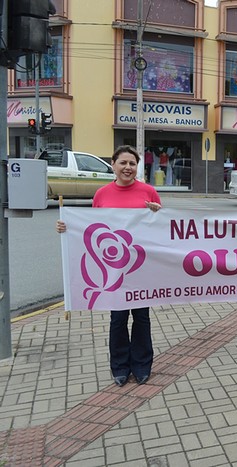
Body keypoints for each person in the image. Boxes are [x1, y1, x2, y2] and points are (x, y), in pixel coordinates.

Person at [56, 145, 162, 387]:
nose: (127, 168)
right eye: (123, 163)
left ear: (137, 167)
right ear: (113, 165)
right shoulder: (102, 194)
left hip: (141, 267)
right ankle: (120, 367)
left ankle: (142, 366)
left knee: (142, 318)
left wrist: (158, 213)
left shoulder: (149, 192)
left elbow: (162, 228)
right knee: (118, 319)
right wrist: (66, 228)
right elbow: (91, 228)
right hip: (113, 270)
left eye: (132, 164)